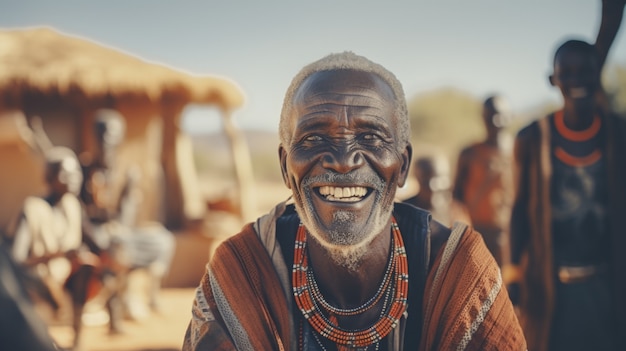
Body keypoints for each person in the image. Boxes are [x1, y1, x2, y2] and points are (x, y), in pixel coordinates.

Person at [183, 52, 525, 350]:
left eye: (370, 137)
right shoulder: (242, 271)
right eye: (314, 137)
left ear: (402, 165)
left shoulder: (458, 271)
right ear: (286, 168)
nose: (344, 160)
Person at [508, 1, 626, 350]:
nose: (576, 81)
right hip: (551, 285)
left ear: (598, 74)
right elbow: (519, 208)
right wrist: (513, 270)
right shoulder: (532, 138)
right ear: (552, 79)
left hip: (611, 283)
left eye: (585, 71)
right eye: (567, 73)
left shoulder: (618, 134)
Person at [80, 109, 175, 331]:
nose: (106, 141)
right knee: (114, 249)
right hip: (92, 234)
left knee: (163, 240)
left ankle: (150, 297)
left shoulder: (128, 172)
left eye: (111, 135)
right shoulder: (84, 170)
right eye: (101, 134)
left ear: (120, 138)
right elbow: (79, 215)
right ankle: (114, 307)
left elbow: (126, 216)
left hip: (120, 233)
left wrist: (117, 232)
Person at [5, 146, 100, 350]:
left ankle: (76, 340)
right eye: (65, 173)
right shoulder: (32, 208)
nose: (73, 178)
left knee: (85, 266)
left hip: (62, 277)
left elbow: (94, 241)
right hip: (36, 278)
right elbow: (16, 260)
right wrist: (57, 255)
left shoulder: (73, 205)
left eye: (76, 172)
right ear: (50, 177)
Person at [452, 95, 514, 268]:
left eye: (500, 115)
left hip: (511, 234)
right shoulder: (470, 154)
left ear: (510, 117)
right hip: (476, 231)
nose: (495, 121)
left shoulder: (519, 152)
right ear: (483, 117)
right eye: (490, 115)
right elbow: (456, 194)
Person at [403, 153, 471, 226]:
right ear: (417, 179)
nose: (432, 188)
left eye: (438, 183)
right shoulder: (405, 211)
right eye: (426, 183)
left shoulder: (457, 212)